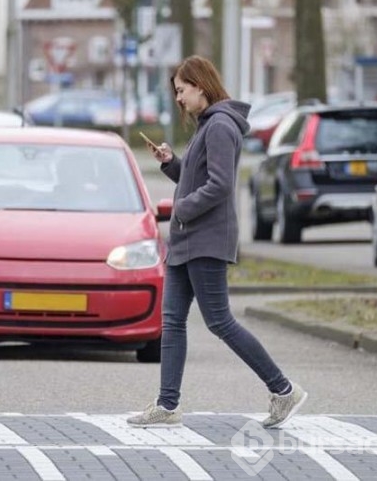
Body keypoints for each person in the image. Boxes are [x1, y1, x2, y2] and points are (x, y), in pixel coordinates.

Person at [127, 55, 307, 429]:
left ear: (200, 86)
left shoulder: (221, 126)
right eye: (176, 92)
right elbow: (197, 179)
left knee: (220, 321)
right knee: (172, 321)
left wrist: (182, 210)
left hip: (205, 240)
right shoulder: (207, 126)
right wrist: (171, 163)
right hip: (186, 240)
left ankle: (284, 389)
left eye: (181, 90)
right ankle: (167, 404)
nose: (178, 99)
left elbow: (222, 185)